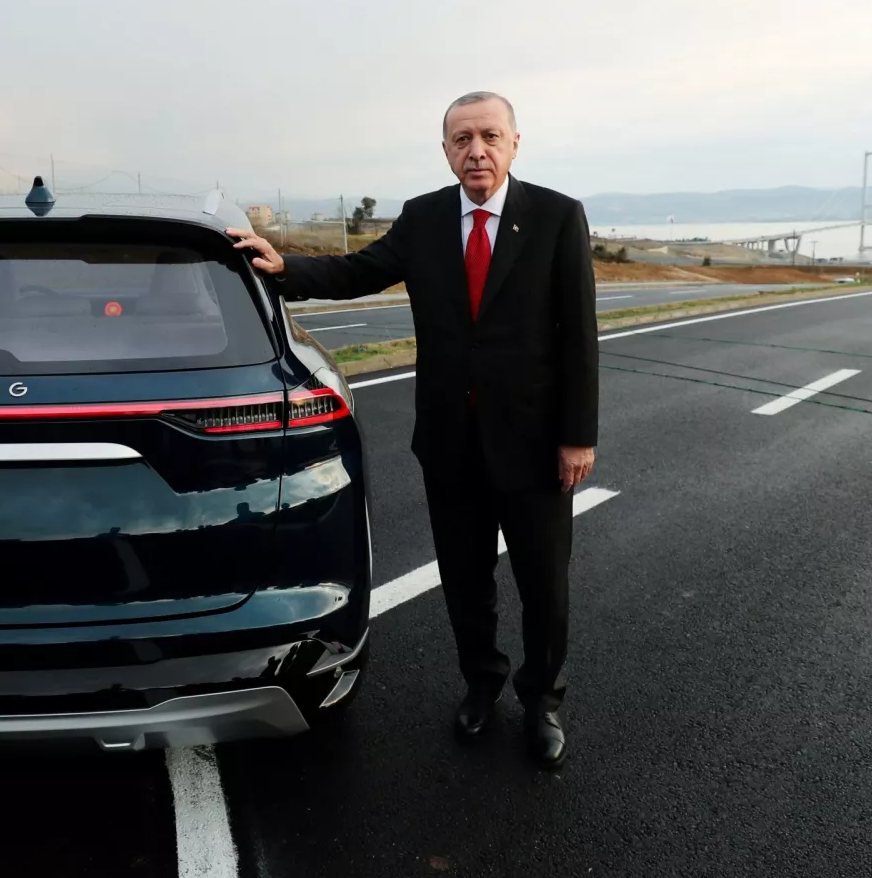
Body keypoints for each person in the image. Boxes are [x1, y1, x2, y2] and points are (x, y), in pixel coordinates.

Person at [228, 92, 598, 768]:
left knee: (545, 585)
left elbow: (579, 334)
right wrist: (285, 268)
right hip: (451, 444)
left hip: (534, 446)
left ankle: (542, 701)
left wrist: (578, 436)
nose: (476, 150)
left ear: (515, 143)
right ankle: (481, 686)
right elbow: (358, 270)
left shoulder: (556, 216)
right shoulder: (425, 218)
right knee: (465, 579)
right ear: (446, 149)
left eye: (490, 136)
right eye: (462, 139)